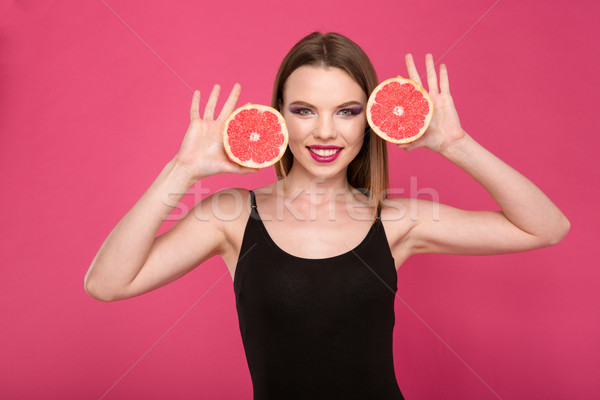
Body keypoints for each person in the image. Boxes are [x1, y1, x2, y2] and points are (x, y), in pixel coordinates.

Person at [84, 32, 570, 399]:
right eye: (304, 110)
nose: (324, 132)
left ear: (369, 119)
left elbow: (546, 227)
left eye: (346, 111)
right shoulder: (230, 216)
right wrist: (182, 170)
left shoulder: (397, 220)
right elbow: (107, 284)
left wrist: (456, 145)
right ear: (278, 115)